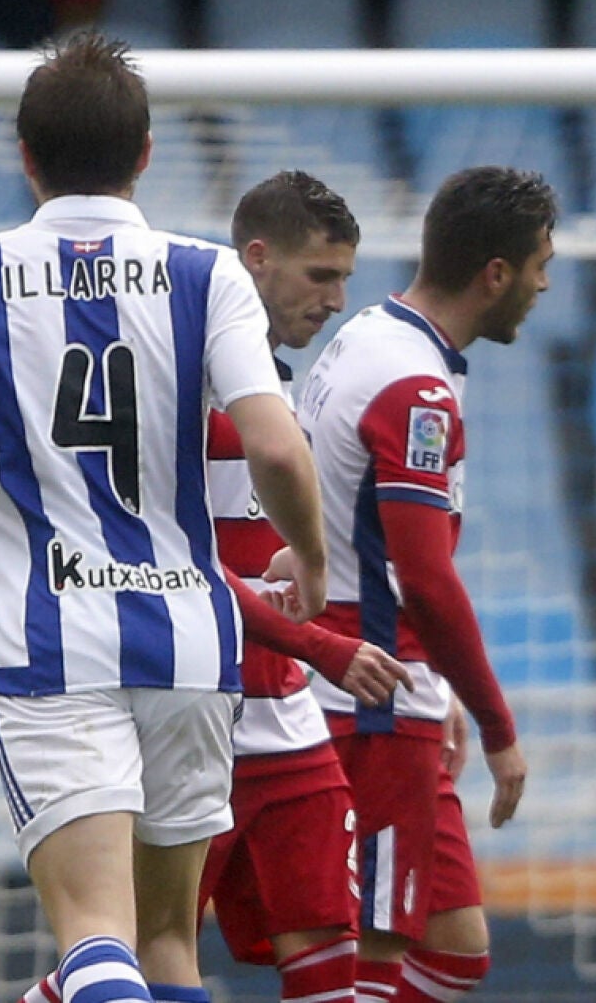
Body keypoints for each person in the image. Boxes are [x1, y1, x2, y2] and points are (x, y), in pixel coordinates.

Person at [0, 31, 329, 1003]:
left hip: (48, 643)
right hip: (188, 644)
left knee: (93, 935)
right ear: (146, 152)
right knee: (167, 944)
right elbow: (277, 447)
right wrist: (312, 560)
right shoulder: (209, 275)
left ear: (25, 156)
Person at [294, 165, 548, 1003]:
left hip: (383, 687)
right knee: (373, 956)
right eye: (541, 263)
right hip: (371, 698)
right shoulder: (416, 390)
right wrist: (496, 721)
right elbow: (426, 578)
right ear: (496, 274)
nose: (547, 283)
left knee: (457, 950)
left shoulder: (371, 333)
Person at [198, 171, 412, 1003]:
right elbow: (176, 565)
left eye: (345, 279)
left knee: (329, 945)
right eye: (321, 276)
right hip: (191, 717)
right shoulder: (182, 386)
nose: (336, 300)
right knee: (140, 958)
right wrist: (322, 645)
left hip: (284, 719)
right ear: (257, 258)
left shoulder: (281, 391)